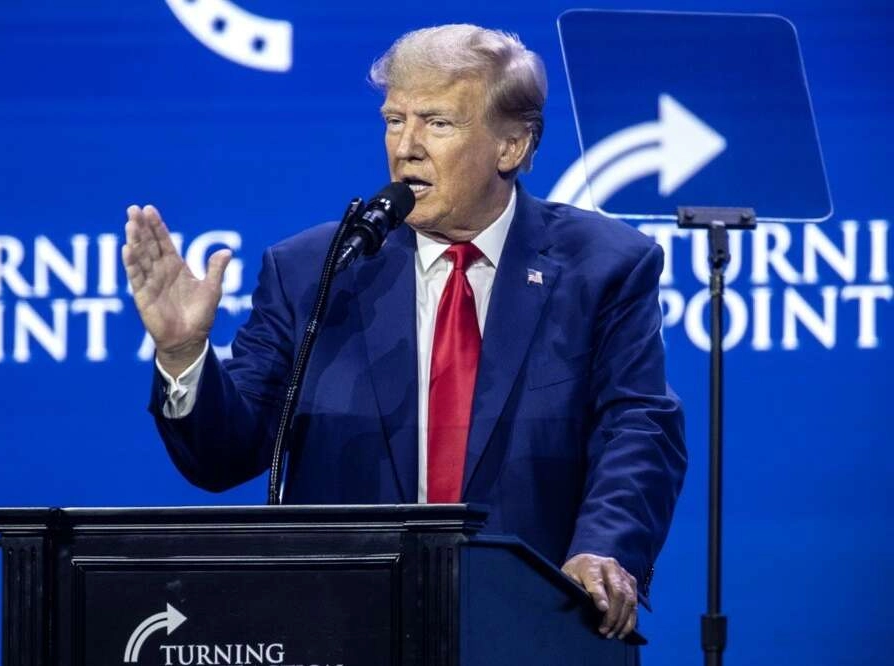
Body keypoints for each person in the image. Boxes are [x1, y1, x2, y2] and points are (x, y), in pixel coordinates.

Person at [123, 25, 686, 642]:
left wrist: (605, 550)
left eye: (437, 123)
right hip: (343, 626)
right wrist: (182, 352)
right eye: (395, 120)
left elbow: (639, 426)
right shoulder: (316, 270)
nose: (406, 147)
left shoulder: (602, 266)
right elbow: (225, 455)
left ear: (512, 145)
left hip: (534, 622)